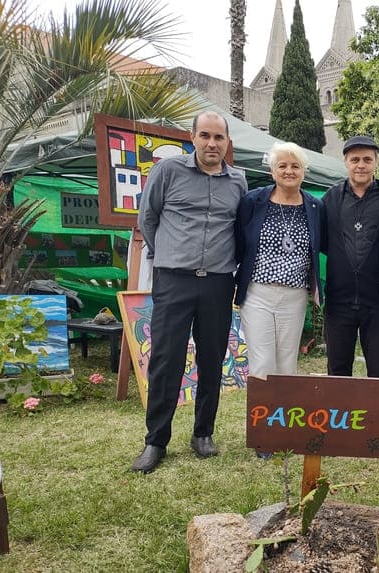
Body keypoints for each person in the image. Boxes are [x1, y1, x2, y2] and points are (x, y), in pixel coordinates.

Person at [132, 111, 246, 473]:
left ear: (227, 143)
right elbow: (148, 219)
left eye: (219, 138)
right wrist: (169, 253)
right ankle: (155, 441)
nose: (212, 143)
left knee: (212, 358)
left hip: (217, 281)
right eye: (205, 136)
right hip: (174, 279)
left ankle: (203, 434)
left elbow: (239, 228)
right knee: (166, 359)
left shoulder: (238, 181)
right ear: (193, 138)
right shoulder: (168, 172)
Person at [235, 141, 324, 381]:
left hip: (294, 296)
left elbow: (321, 245)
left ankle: (283, 418)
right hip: (258, 294)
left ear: (304, 171)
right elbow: (239, 242)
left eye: (295, 166)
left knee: (287, 365)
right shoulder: (252, 201)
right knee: (263, 363)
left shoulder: (315, 206)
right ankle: (262, 418)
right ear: (272, 171)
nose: (289, 171)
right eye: (282, 165)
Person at [320, 136, 379, 379]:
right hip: (339, 301)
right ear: (345, 162)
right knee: (337, 370)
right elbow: (322, 241)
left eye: (367, 159)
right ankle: (342, 417)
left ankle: (375, 418)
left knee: (378, 371)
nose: (361, 165)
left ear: (376, 162)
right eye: (355, 160)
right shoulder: (330, 199)